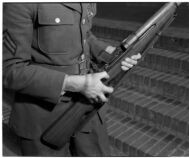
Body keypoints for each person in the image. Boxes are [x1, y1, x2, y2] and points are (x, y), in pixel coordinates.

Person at [3, 3, 141, 156]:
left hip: (86, 109)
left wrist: (110, 54)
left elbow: (84, 35)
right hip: (43, 118)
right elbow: (9, 69)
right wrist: (77, 84)